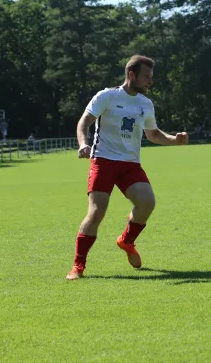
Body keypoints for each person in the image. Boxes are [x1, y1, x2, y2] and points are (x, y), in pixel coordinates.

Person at [66, 55, 189, 281]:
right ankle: (78, 265)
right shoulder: (107, 96)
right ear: (131, 75)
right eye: (146, 77)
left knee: (147, 202)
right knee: (96, 212)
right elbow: (84, 122)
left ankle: (127, 240)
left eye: (151, 77)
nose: (149, 82)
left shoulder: (145, 104)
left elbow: (152, 134)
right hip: (103, 160)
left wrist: (174, 140)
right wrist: (83, 144)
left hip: (130, 164)